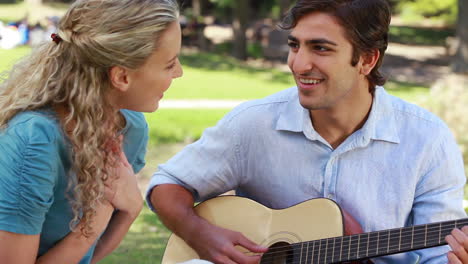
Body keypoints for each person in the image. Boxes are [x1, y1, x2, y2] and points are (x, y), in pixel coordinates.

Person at [146, 0, 467, 263]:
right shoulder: (253, 124)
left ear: (367, 59)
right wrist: (202, 236)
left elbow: (436, 255)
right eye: (294, 45)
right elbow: (168, 185)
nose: (299, 64)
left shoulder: (427, 140)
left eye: (321, 49)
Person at [0, 0, 182, 263]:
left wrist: (130, 210)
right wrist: (96, 219)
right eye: (169, 64)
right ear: (121, 77)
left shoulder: (131, 129)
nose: (179, 72)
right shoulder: (32, 140)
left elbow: (85, 257)